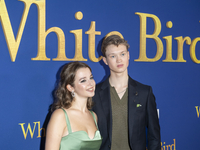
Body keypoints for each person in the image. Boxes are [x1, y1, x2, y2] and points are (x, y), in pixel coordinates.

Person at [92, 35, 161, 150]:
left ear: (128, 55)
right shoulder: (94, 93)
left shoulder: (145, 92)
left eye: (122, 54)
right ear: (105, 60)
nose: (119, 60)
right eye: (113, 56)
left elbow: (154, 136)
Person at [45, 62, 102, 150]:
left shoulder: (93, 116)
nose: (91, 83)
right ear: (70, 87)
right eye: (83, 80)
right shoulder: (60, 115)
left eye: (91, 77)